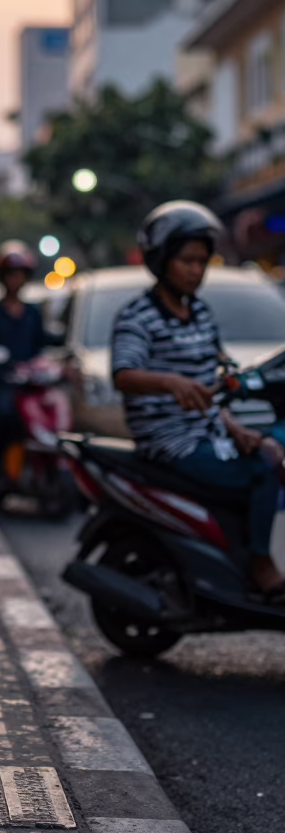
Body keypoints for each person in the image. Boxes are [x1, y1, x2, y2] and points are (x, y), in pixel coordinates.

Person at [112, 200, 284, 597]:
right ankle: (261, 563)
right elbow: (123, 375)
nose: (195, 270)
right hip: (168, 442)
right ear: (161, 260)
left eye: (201, 262)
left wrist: (234, 427)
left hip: (208, 433)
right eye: (186, 260)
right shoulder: (137, 316)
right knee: (261, 469)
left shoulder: (202, 314)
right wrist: (170, 382)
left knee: (269, 450)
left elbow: (211, 383)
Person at [0, 240, 56, 446]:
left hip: (29, 381)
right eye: (11, 273)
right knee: (4, 414)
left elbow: (40, 346)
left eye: (20, 273)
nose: (15, 279)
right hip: (0, 381)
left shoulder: (33, 313)